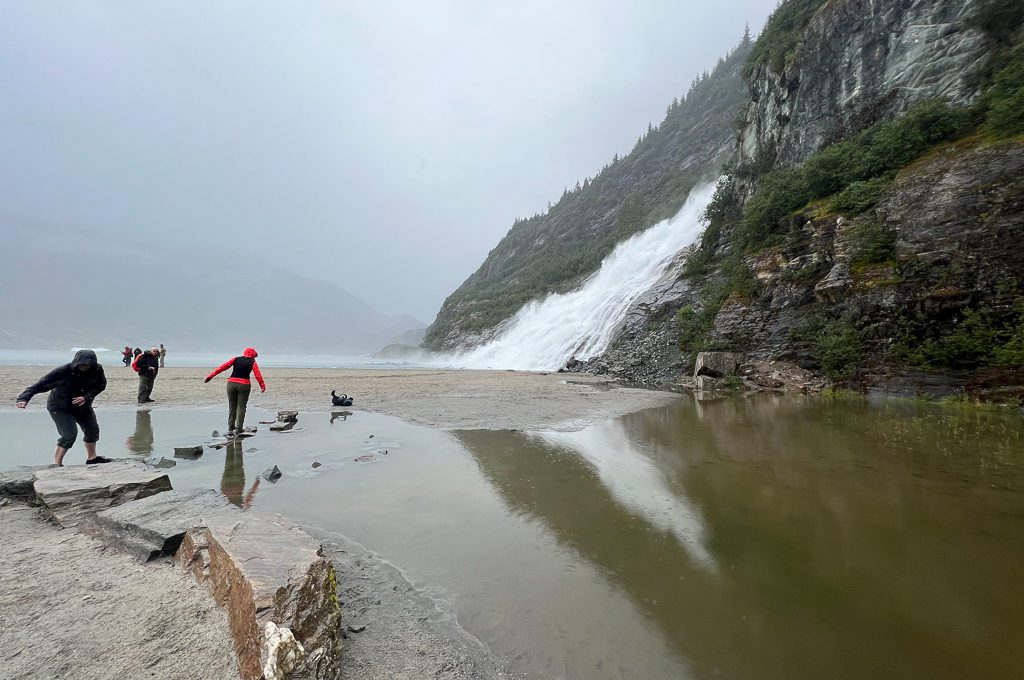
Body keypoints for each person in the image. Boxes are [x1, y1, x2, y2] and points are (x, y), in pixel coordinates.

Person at [15, 349, 112, 466]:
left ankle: (92, 458)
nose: (85, 366)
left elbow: (101, 385)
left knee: (92, 430)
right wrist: (24, 398)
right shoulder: (64, 370)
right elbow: (42, 384)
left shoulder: (97, 369)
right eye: (82, 364)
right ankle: (57, 464)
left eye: (87, 364)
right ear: (76, 362)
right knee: (69, 435)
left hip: (82, 405)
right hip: (60, 406)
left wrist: (86, 397)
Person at [204, 347, 266, 435]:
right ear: (252, 355)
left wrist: (210, 376)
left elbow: (223, 367)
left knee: (232, 406)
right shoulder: (253, 362)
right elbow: (257, 375)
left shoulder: (235, 359)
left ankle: (230, 427)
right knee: (241, 407)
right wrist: (262, 386)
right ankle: (239, 428)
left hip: (231, 384)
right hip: (244, 385)